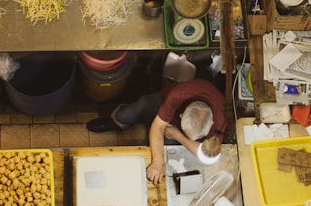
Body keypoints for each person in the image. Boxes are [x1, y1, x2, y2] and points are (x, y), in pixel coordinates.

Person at [86, 77, 227, 185]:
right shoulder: (178, 95)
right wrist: (158, 162)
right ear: (181, 115)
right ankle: (115, 122)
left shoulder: (221, 118)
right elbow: (158, 126)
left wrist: (179, 136)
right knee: (134, 110)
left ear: (212, 123)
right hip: (164, 101)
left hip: (175, 130)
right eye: (186, 132)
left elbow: (207, 154)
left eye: (197, 138)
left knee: (166, 145)